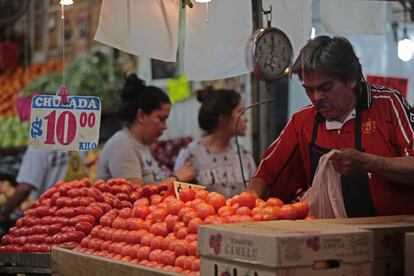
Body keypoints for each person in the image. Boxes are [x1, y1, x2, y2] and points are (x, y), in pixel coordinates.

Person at [247, 35, 414, 216]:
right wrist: (244, 204)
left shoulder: (388, 104)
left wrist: (368, 163)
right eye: (309, 90)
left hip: (396, 235)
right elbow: (265, 176)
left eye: (325, 87)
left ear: (351, 79)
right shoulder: (302, 121)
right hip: (327, 236)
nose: (317, 97)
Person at [97, 74, 196, 185]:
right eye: (161, 119)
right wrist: (176, 178)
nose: (165, 126)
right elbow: (136, 196)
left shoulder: (141, 144)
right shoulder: (122, 145)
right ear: (141, 116)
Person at [174, 87, 256, 198]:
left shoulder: (244, 156)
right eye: (240, 112)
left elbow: (254, 194)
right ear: (223, 118)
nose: (246, 119)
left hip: (241, 215)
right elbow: (181, 198)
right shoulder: (190, 155)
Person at [0, 147, 86, 221]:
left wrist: (5, 211)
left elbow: (25, 187)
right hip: (78, 209)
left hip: (47, 213)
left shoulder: (38, 146)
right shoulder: (76, 141)